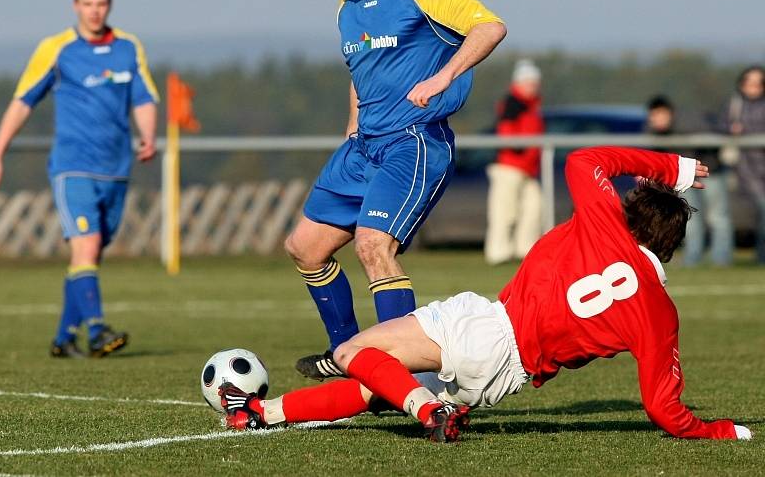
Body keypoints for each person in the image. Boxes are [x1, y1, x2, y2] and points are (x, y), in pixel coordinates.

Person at [220, 146, 752, 443]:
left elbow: (585, 160)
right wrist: (726, 431)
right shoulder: (661, 313)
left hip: (489, 327)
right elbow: (664, 409)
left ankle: (427, 411)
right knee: (373, 386)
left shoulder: (604, 223)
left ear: (628, 217)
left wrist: (670, 168)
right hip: (505, 380)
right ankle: (261, 415)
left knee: (353, 353)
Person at [285, 0, 506, 379]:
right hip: (364, 145)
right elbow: (360, 71)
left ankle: (405, 377)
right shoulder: (347, 9)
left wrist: (444, 77)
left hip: (414, 142)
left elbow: (490, 28)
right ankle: (348, 355)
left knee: (373, 246)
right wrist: (351, 125)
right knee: (305, 247)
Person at [0, 0, 159, 358]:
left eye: (101, 4)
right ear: (76, 6)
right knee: (86, 245)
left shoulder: (128, 48)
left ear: (108, 5)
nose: (94, 11)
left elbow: (144, 98)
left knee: (89, 256)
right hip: (72, 167)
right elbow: (22, 101)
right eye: (87, 4)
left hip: (116, 169)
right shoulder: (56, 49)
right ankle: (96, 331)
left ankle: (64, 339)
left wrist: (148, 135)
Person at [645, 96, 732, 267]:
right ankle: (693, 258)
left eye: (660, 115)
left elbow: (716, 137)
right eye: (654, 116)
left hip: (710, 172)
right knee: (690, 218)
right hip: (685, 177)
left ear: (670, 113)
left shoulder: (689, 122)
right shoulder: (652, 130)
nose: (657, 119)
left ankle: (721, 259)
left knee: (718, 217)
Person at [484, 58, 543, 264]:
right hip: (509, 166)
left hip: (528, 169)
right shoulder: (513, 103)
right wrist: (519, 146)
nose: (533, 87)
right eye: (529, 83)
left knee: (534, 208)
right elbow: (506, 130)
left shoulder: (531, 106)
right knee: (504, 212)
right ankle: (498, 252)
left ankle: (526, 251)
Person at [727, 66, 765, 263]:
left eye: (759, 83)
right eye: (750, 83)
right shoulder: (735, 105)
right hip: (746, 168)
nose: (754, 87)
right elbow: (721, 124)